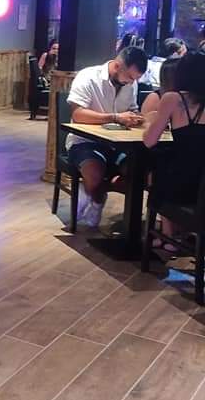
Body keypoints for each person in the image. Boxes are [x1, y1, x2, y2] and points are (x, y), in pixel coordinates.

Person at [66, 46, 148, 228]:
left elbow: (132, 109)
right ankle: (96, 198)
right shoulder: (88, 77)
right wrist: (116, 117)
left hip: (119, 143)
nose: (131, 82)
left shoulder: (130, 84)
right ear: (117, 66)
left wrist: (136, 117)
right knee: (95, 175)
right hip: (85, 141)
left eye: (135, 79)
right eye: (130, 77)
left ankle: (95, 192)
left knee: (139, 174)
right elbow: (78, 114)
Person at [144, 54, 205, 250]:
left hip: (182, 181)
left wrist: (152, 121)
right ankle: (183, 232)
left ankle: (168, 236)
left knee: (157, 170)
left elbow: (149, 141)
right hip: (201, 185)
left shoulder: (173, 98)